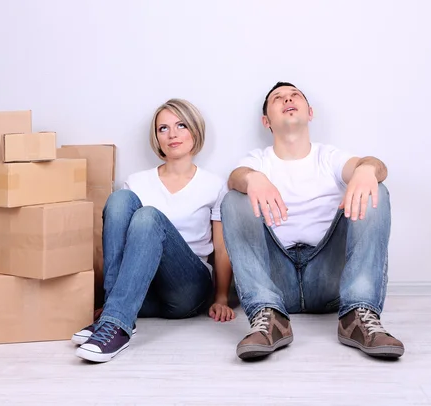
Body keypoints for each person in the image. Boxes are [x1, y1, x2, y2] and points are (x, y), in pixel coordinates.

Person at [221, 81, 405, 361]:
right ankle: (268, 316)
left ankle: (358, 314)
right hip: (277, 281)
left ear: (310, 112)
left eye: (295, 95)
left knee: (374, 188)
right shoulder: (257, 161)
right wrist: (251, 178)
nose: (288, 99)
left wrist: (367, 169)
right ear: (266, 121)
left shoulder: (328, 157)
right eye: (278, 98)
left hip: (328, 278)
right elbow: (236, 176)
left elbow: (373, 166)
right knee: (234, 198)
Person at [73, 98, 235, 363]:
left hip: (187, 291)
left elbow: (221, 246)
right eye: (163, 128)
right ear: (156, 138)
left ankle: (115, 322)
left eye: (181, 125)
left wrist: (221, 297)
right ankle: (114, 315)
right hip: (142, 294)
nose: (172, 134)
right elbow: (117, 239)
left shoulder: (213, 184)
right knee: (119, 200)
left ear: (195, 130)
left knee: (149, 217)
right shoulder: (137, 182)